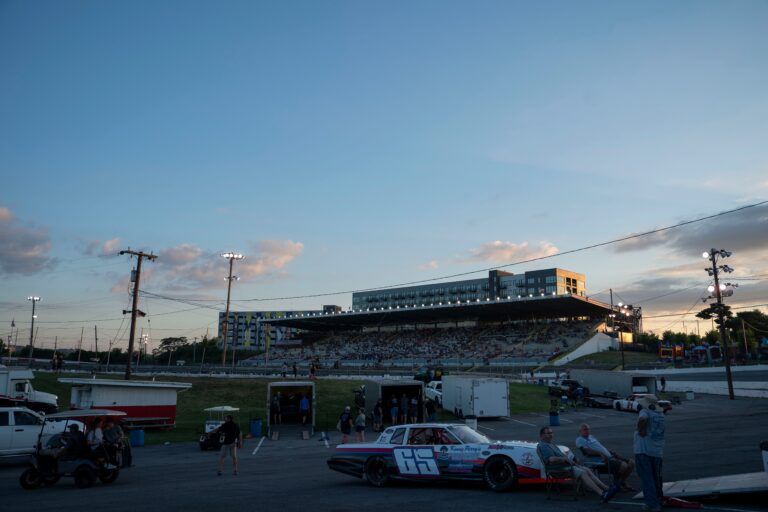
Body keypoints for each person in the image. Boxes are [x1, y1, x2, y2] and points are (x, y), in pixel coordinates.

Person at [537, 427, 612, 500]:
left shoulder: (550, 444)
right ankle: (602, 493)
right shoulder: (544, 446)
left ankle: (606, 488)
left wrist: (570, 460)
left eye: (551, 433)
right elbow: (551, 459)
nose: (551, 435)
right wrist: (565, 459)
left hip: (565, 466)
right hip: (558, 470)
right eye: (548, 433)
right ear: (542, 435)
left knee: (587, 470)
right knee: (583, 473)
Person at [576, 423, 635, 491]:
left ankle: (620, 483)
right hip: (601, 460)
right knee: (624, 466)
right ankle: (618, 484)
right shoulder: (579, 440)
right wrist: (600, 453)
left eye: (588, 429)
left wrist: (611, 452)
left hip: (609, 457)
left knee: (631, 463)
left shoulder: (591, 437)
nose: (587, 431)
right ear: (580, 431)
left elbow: (601, 447)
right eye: (585, 429)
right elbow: (587, 451)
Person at [634, 403, 665, 512]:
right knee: (657, 478)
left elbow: (642, 419)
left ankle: (652, 504)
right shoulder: (660, 414)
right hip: (657, 450)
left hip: (644, 450)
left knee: (647, 479)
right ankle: (658, 500)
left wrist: (640, 430)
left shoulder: (645, 411)